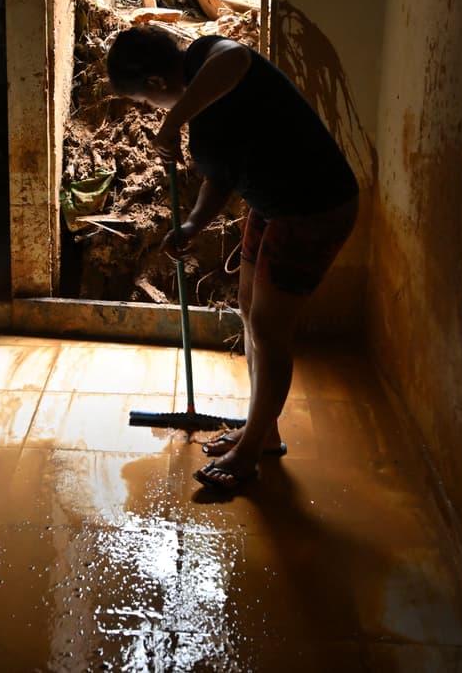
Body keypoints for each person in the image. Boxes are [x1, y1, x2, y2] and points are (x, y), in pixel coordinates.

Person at [106, 25, 359, 491]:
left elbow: (237, 57)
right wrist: (191, 226)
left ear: (157, 84)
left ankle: (251, 450)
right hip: (271, 205)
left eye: (145, 101)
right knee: (249, 314)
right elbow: (219, 180)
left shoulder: (209, 59)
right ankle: (263, 431)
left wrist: (171, 121)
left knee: (269, 328)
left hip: (313, 206)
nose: (150, 111)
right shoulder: (203, 115)